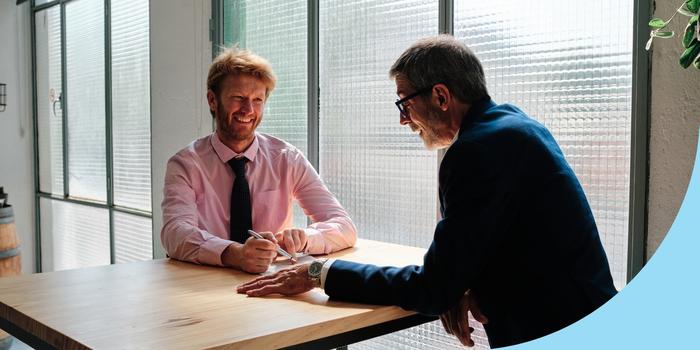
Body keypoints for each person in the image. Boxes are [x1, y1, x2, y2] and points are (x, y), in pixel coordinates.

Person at [236, 35, 618, 348]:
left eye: (404, 102)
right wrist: (461, 284)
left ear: (440, 96)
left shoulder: (475, 151)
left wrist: (319, 272)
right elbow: (506, 241)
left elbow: (431, 288)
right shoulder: (513, 124)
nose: (403, 120)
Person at [161, 47, 357, 274]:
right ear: (212, 100)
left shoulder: (287, 158)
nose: (248, 110)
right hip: (205, 284)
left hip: (272, 284)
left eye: (257, 100)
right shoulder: (185, 164)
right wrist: (234, 253)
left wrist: (305, 238)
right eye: (239, 98)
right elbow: (175, 233)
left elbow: (345, 226)